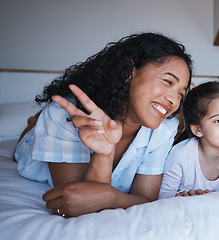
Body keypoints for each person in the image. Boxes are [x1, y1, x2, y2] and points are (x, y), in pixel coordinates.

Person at [13, 32, 193, 217]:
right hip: (32, 152)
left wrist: (109, 192)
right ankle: (33, 124)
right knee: (25, 142)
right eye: (167, 81)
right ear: (129, 72)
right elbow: (75, 207)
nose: (174, 100)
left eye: (181, 94)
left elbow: (145, 200)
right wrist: (113, 193)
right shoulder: (64, 116)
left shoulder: (164, 130)